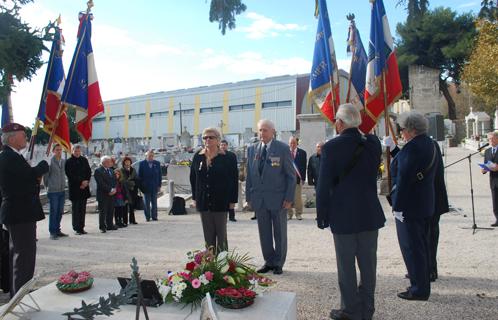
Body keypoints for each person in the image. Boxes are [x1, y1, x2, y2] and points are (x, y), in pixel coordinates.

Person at [315, 104, 385, 320]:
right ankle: (367, 308)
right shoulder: (372, 143)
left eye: (336, 120)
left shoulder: (331, 147)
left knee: (346, 266)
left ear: (340, 123)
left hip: (343, 214)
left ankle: (350, 310)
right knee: (368, 264)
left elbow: (324, 185)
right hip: (369, 213)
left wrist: (322, 215)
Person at [384, 134, 449, 282]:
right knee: (421, 238)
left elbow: (411, 165)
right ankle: (422, 270)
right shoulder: (421, 144)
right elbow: (407, 162)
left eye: (404, 130)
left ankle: (430, 270)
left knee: (430, 237)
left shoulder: (426, 145)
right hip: (427, 198)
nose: (402, 134)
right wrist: (394, 149)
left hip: (430, 197)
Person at [390, 111, 437, 301]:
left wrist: (397, 206)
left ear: (411, 130)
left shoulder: (412, 149)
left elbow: (403, 180)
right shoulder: (429, 144)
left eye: (402, 129)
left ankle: (418, 289)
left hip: (410, 206)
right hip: (425, 202)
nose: (401, 133)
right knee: (422, 247)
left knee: (412, 248)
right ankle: (422, 283)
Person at [0, 123, 49, 297]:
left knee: (21, 255)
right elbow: (28, 178)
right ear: (12, 138)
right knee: (24, 257)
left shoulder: (13, 156)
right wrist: (43, 165)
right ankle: (20, 297)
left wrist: (33, 170)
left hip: (19, 212)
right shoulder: (8, 157)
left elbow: (27, 182)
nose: (26, 138)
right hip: (20, 212)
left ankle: (20, 293)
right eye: (23, 135)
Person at [246, 119, 295, 275]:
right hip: (259, 199)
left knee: (280, 233)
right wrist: (249, 196)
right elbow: (249, 175)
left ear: (273, 131)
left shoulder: (282, 149)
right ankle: (269, 261)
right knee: (264, 232)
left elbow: (291, 176)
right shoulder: (252, 149)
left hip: (279, 199)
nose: (262, 133)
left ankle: (279, 262)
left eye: (265, 130)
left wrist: (289, 198)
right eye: (260, 130)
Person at [190, 128, 238, 253]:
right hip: (204, 201)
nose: (207, 140)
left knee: (221, 235)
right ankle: (211, 264)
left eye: (211, 137)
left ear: (218, 140)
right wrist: (195, 198)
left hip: (221, 201)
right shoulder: (198, 156)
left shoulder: (229, 157)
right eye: (205, 138)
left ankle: (222, 265)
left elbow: (233, 179)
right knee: (208, 235)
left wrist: (233, 200)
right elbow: (193, 178)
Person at [65, 144, 91, 235]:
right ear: (72, 151)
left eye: (79, 151)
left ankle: (82, 227)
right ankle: (76, 228)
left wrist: (86, 181)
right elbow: (70, 175)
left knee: (83, 209)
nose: (77, 153)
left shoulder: (84, 160)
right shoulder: (69, 162)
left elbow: (88, 171)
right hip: (75, 188)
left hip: (84, 188)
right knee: (76, 209)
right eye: (75, 151)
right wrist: (81, 182)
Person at [43, 144, 68, 240]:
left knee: (60, 211)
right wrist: (48, 186)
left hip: (62, 189)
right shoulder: (50, 162)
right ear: (53, 151)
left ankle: (58, 229)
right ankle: (52, 232)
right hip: (53, 190)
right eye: (57, 150)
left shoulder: (62, 161)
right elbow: (46, 176)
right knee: (54, 211)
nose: (59, 151)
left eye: (60, 150)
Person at [94, 156, 117, 233]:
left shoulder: (111, 170)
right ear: (104, 162)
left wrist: (114, 189)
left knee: (111, 210)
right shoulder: (98, 171)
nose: (110, 163)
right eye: (109, 161)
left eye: (110, 161)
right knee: (103, 211)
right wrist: (110, 189)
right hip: (103, 194)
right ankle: (102, 227)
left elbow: (115, 181)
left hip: (112, 194)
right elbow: (101, 183)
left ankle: (110, 225)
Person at [138, 150, 162, 221]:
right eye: (149, 156)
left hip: (154, 186)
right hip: (146, 187)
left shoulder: (157, 163)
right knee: (146, 203)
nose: (151, 157)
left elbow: (159, 175)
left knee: (154, 203)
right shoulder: (142, 164)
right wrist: (141, 187)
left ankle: (154, 216)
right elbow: (140, 176)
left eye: (152, 156)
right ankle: (147, 217)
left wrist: (159, 185)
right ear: (146, 156)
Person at [288, 136, 307, 220]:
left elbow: (303, 166)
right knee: (287, 197)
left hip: (297, 179)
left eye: (294, 143)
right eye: (291, 143)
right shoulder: (285, 152)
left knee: (297, 198)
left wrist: (303, 178)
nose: (292, 145)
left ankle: (298, 213)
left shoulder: (302, 153)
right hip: (287, 179)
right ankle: (289, 214)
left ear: (297, 143)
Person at [482, 131, 498, 227]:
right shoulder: (487, 151)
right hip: (493, 180)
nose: (490, 140)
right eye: (489, 139)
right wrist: (484, 170)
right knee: (495, 202)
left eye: (492, 138)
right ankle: (497, 219)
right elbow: (486, 164)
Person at [220, 139, 238, 222]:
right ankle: (223, 217)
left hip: (230, 180)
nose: (223, 146)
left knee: (231, 199)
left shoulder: (232, 155)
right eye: (222, 145)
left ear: (227, 146)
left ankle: (232, 216)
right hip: (220, 181)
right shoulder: (217, 155)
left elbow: (235, 169)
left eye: (224, 145)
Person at [120, 157, 138, 225]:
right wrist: (131, 182)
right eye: (126, 162)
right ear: (124, 163)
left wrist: (133, 183)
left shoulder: (133, 170)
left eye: (129, 162)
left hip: (132, 190)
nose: (127, 163)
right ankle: (125, 221)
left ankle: (132, 220)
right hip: (124, 190)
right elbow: (123, 180)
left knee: (132, 206)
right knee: (125, 205)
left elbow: (136, 178)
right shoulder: (121, 170)